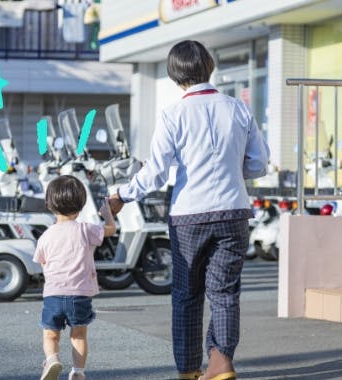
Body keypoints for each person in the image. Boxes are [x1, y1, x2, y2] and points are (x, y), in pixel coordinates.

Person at [109, 40, 270, 380]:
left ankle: (188, 370)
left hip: (189, 217)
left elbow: (154, 173)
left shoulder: (173, 114)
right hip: (234, 213)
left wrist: (122, 195)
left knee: (186, 296)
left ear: (174, 74)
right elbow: (258, 165)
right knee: (225, 293)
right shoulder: (238, 108)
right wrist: (229, 169)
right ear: (209, 65)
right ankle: (221, 361)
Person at [33, 175, 116, 380]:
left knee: (50, 334)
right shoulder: (85, 229)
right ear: (81, 205)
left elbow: (42, 262)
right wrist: (108, 215)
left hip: (53, 294)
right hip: (80, 294)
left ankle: (52, 359)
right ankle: (78, 372)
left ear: (50, 205)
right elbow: (110, 230)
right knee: (78, 335)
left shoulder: (46, 235)